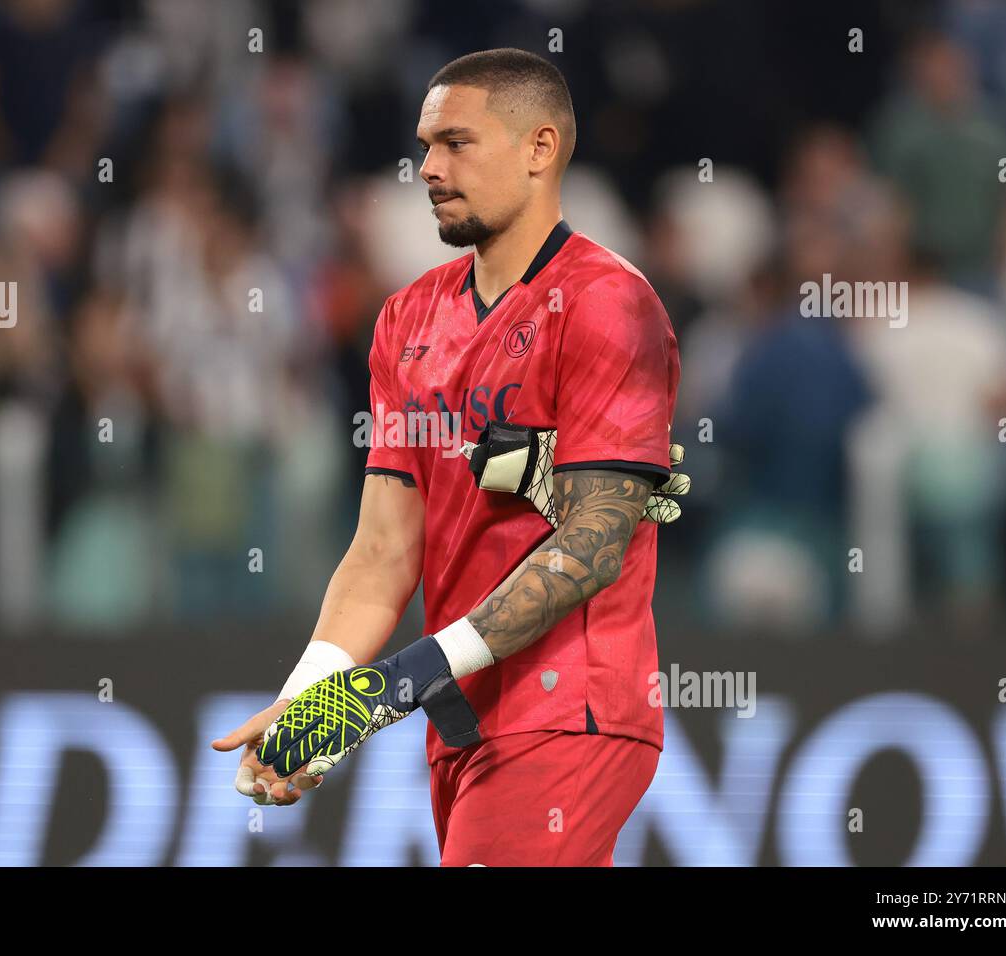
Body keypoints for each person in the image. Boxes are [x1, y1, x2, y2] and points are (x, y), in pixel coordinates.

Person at [212, 48, 681, 866]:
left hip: (571, 707)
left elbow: (595, 541)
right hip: (462, 721)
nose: (427, 167)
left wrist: (395, 683)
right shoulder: (407, 320)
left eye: (455, 143)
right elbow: (385, 550)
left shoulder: (611, 304)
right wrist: (306, 710)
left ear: (539, 149)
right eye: (425, 145)